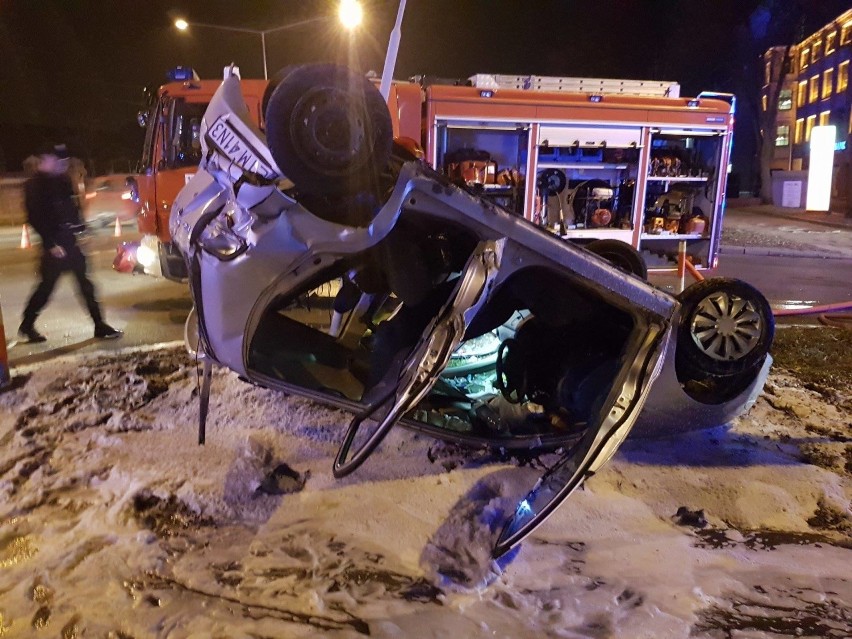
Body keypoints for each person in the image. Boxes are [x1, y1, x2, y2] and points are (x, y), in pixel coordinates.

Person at [18, 144, 122, 343]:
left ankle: (99, 325)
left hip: (70, 241)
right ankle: (27, 324)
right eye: (57, 161)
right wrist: (50, 243)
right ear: (46, 159)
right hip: (54, 245)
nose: (61, 165)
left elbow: (72, 209)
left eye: (63, 161)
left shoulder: (62, 180)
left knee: (85, 284)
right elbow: (34, 217)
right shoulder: (34, 185)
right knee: (46, 287)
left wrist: (82, 231)